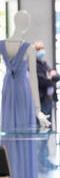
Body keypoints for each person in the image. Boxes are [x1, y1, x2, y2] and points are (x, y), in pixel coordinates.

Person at [34, 41, 60, 172]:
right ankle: (40, 163)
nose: (41, 51)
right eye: (39, 49)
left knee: (48, 131)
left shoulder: (43, 64)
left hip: (48, 101)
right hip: (41, 102)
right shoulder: (33, 65)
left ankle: (45, 160)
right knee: (41, 132)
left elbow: (57, 76)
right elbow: (42, 81)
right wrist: (50, 77)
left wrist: (51, 77)